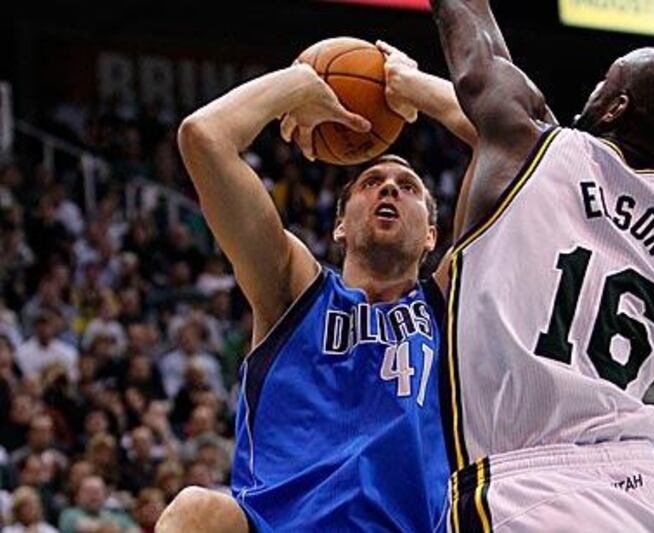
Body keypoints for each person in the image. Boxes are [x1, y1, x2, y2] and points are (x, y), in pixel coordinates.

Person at [430, 0, 654, 530]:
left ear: (616, 106)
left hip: (530, 488)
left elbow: (470, 30)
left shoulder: (531, 146)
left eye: (604, 81)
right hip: (652, 495)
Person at [155, 42, 476, 532]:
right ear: (340, 226)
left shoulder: (452, 299)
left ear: (433, 235)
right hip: (279, 525)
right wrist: (299, 82)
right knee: (198, 512)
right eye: (370, 182)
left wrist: (414, 87)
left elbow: (520, 152)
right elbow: (204, 136)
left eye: (408, 187)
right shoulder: (293, 288)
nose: (389, 188)